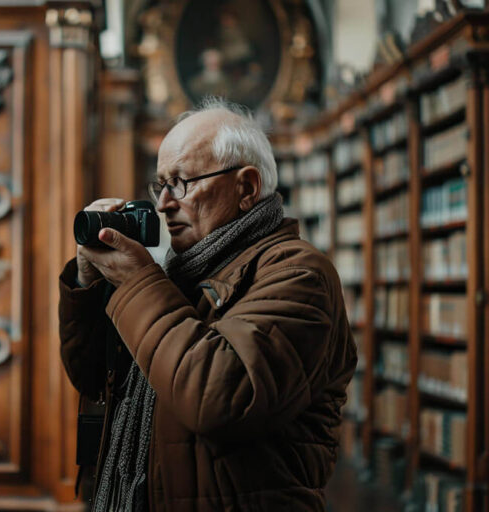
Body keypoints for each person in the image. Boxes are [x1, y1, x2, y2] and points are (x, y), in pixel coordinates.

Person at [58, 98, 357, 512]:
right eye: (160, 184)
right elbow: (92, 377)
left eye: (181, 181)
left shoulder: (300, 274)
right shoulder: (176, 277)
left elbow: (221, 397)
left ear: (247, 188)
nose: (163, 203)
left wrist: (136, 282)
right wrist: (88, 282)